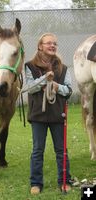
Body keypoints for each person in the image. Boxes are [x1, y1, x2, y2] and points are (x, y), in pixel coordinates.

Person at [22, 33, 73, 195]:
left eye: (55, 44)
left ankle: (64, 181)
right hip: (38, 115)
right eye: (49, 43)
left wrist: (57, 87)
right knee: (38, 150)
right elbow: (30, 87)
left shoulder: (63, 68)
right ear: (40, 46)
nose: (52, 46)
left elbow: (69, 90)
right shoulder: (29, 66)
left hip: (58, 115)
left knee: (61, 150)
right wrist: (45, 78)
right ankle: (36, 183)